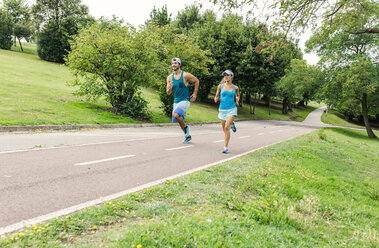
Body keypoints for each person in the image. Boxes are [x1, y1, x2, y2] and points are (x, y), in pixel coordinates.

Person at [166, 57, 199, 143]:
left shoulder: (185, 75)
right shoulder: (169, 78)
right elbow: (168, 93)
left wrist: (195, 94)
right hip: (176, 101)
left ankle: (186, 128)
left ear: (179, 64)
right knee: (178, 119)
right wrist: (169, 88)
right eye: (172, 63)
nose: (174, 65)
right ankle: (187, 136)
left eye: (176, 63)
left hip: (185, 100)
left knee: (176, 115)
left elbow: (196, 81)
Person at [214, 69, 240, 153]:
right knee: (224, 130)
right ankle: (231, 124)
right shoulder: (220, 86)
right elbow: (216, 94)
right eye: (224, 75)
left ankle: (225, 147)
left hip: (231, 109)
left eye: (228, 75)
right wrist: (216, 98)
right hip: (222, 109)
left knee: (226, 127)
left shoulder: (235, 88)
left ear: (231, 76)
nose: (226, 76)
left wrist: (237, 99)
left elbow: (238, 95)